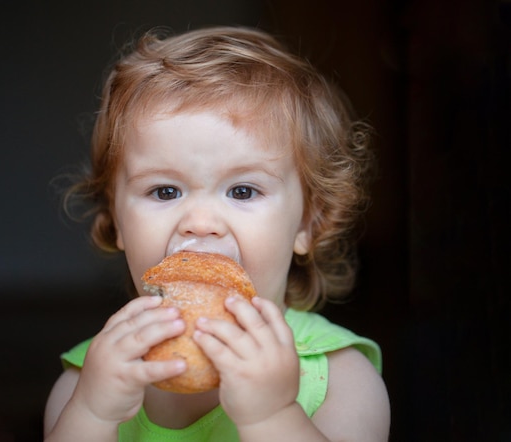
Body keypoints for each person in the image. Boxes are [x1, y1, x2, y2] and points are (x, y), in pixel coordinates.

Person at [44, 26, 390, 441]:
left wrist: (272, 416)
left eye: (242, 190)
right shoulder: (87, 383)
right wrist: (93, 414)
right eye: (165, 190)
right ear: (117, 222)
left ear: (307, 224)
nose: (201, 222)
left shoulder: (341, 378)